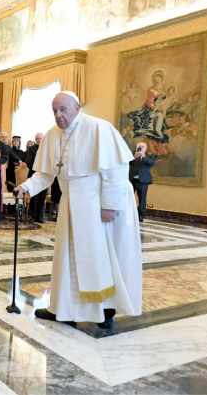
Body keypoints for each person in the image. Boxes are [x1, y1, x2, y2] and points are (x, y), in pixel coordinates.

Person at [14, 91, 142, 330]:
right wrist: (26, 187)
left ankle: (105, 312)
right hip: (70, 202)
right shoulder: (52, 135)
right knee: (66, 257)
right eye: (54, 110)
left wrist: (109, 205)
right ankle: (63, 309)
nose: (58, 115)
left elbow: (116, 169)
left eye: (63, 109)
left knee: (102, 258)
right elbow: (45, 173)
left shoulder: (98, 128)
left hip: (96, 202)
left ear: (77, 108)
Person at [129, 142, 156, 222]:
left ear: (146, 148)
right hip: (132, 180)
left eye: (143, 147)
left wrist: (144, 156)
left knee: (142, 199)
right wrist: (134, 157)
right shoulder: (132, 155)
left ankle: (141, 215)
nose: (141, 148)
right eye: (139, 146)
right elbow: (128, 163)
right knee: (129, 198)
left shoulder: (149, 156)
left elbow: (152, 163)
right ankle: (129, 214)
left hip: (143, 181)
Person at [25, 132, 48, 224]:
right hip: (34, 175)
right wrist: (39, 168)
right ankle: (32, 216)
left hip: (44, 176)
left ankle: (40, 216)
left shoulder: (47, 148)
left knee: (42, 197)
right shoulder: (31, 149)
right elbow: (28, 162)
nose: (39, 140)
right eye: (37, 139)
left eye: (40, 138)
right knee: (34, 197)